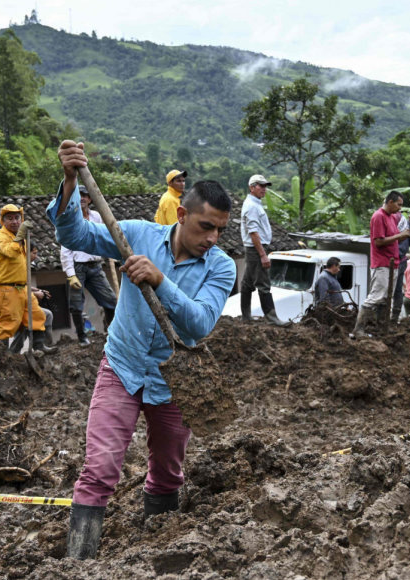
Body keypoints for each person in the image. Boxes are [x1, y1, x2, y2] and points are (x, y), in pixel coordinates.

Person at [53, 140, 236, 560]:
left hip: (175, 380)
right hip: (122, 366)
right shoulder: (135, 235)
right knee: (99, 470)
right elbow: (73, 233)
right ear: (183, 214)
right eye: (206, 226)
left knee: (168, 474)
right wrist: (68, 182)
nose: (213, 237)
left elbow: (200, 323)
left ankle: (160, 551)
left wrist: (159, 281)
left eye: (221, 229)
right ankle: (78, 563)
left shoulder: (221, 266)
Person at [0, 204, 55, 354]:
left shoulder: (22, 238)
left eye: (17, 218)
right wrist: (20, 235)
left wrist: (22, 236)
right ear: (3, 221)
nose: (14, 221)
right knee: (9, 322)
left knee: (37, 315)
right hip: (7, 288)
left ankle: (39, 346)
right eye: (10, 218)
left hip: (23, 287)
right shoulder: (0, 238)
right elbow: (11, 253)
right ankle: (0, 355)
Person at [60, 185, 118, 345]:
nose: (83, 198)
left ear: (90, 199)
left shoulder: (96, 216)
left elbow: (103, 236)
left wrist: (111, 250)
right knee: (76, 305)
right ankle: (82, 337)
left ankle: (111, 332)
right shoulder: (71, 220)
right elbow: (65, 249)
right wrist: (70, 274)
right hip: (78, 266)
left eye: (85, 195)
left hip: (95, 265)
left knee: (111, 301)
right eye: (79, 195)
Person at [351, 191, 410, 338]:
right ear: (390, 202)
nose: (400, 208)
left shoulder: (391, 217)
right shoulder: (378, 216)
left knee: (386, 298)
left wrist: (405, 233)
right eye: (398, 204)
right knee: (376, 296)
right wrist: (400, 236)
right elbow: (378, 241)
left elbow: (393, 237)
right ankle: (358, 329)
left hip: (393, 263)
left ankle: (381, 328)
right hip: (382, 263)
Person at [240, 174, 287, 326]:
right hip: (255, 249)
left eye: (265, 186)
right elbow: (253, 233)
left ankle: (246, 316)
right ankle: (271, 317)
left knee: (247, 283)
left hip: (253, 248)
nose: (264, 189)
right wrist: (263, 255)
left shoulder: (255, 203)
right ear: (252, 187)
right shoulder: (252, 206)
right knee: (264, 283)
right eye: (260, 186)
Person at [391, 211, 410, 322]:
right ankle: (390, 318)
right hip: (390, 260)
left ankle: (394, 318)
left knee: (397, 291)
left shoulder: (406, 224)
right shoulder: (386, 221)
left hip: (400, 259)